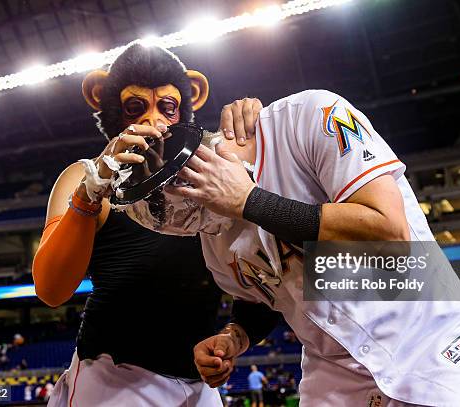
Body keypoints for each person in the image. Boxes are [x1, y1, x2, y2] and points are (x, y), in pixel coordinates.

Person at [161, 90, 460, 406]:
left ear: (186, 177)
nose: (174, 227)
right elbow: (265, 299)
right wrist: (234, 336)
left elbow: (388, 233)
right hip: (334, 375)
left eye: (165, 211)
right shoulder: (210, 230)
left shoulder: (312, 115)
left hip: (429, 343)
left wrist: (250, 201)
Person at [33, 42, 279, 407]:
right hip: (115, 375)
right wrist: (90, 193)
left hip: (200, 382)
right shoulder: (83, 175)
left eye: (168, 106)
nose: (153, 120)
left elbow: (264, 277)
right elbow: (51, 289)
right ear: (110, 107)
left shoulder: (216, 174)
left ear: (189, 100)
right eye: (136, 107)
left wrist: (232, 335)